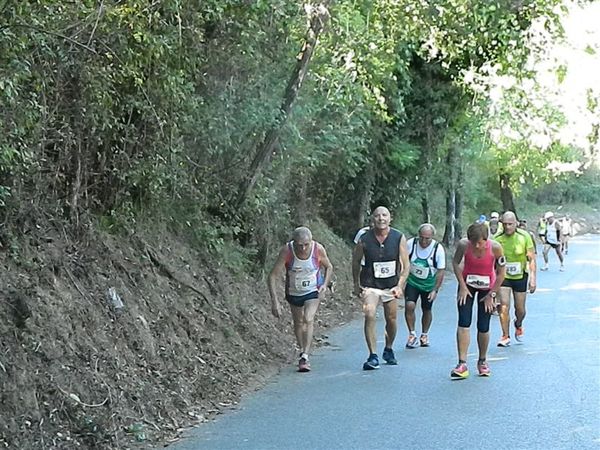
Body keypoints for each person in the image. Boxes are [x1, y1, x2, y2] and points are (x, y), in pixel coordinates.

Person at [268, 226, 333, 372]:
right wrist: (275, 301)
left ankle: (305, 355)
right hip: (294, 292)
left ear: (311, 241)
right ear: (294, 242)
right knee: (298, 322)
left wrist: (324, 284)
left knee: (308, 318)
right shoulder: (287, 251)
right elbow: (272, 276)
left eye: (306, 244)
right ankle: (302, 349)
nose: (303, 248)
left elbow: (329, 267)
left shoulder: (318, 249)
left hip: (313, 290)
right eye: (299, 245)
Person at [352, 206, 409, 370]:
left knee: (391, 319)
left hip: (391, 285)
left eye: (384, 215)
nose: (381, 218)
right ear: (372, 219)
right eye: (377, 216)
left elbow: (406, 265)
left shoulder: (398, 237)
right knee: (369, 313)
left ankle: (388, 348)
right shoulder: (364, 238)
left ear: (390, 219)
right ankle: (373, 355)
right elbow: (356, 261)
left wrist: (400, 285)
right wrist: (356, 284)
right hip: (370, 284)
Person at [451, 222, 506, 379]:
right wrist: (462, 286)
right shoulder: (464, 245)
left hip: (487, 288)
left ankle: (482, 361)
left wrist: (492, 295)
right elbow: (455, 263)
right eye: (473, 242)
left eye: (480, 242)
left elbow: (502, 272)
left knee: (483, 325)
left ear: (486, 239)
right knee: (463, 322)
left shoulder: (495, 247)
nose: (476, 245)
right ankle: (462, 363)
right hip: (467, 285)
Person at [495, 212, 537, 347]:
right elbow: (492, 262)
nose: (507, 227)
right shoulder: (497, 239)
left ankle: (518, 323)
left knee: (520, 309)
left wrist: (533, 279)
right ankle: (505, 335)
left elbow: (531, 259)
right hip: (504, 276)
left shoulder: (524, 237)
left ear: (516, 223)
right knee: (504, 305)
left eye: (510, 224)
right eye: (505, 224)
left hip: (520, 276)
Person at [403, 223, 446, 348]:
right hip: (412, 282)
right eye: (421, 237)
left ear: (432, 237)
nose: (424, 241)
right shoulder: (411, 244)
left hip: (428, 285)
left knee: (426, 309)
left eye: (427, 238)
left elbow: (441, 271)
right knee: (409, 305)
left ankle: (424, 334)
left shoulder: (438, 249)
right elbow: (403, 261)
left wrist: (435, 290)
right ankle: (412, 334)